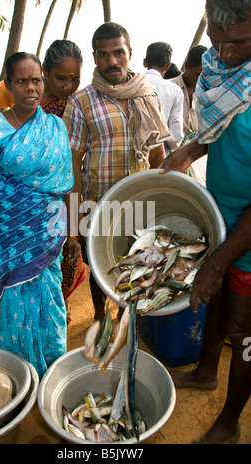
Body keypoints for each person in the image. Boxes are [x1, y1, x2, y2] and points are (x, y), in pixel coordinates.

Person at [160, 0, 251, 444]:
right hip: (222, 213)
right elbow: (221, 131)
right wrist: (192, 149)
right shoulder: (220, 69)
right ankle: (205, 373)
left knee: (243, 328)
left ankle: (230, 422)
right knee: (213, 301)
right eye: (217, 42)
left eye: (239, 42)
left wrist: (219, 261)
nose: (226, 52)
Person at [0, 52, 74, 378]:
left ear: (44, 83)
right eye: (21, 81)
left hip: (48, 234)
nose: (30, 88)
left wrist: (72, 234)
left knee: (50, 301)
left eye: (36, 80)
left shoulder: (55, 127)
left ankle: (50, 371)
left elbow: (64, 185)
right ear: (8, 85)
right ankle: (21, 375)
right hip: (8, 237)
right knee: (15, 307)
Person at [63, 22, 170, 320]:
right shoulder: (81, 101)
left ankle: (128, 319)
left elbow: (157, 153)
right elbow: (73, 164)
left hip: (140, 201)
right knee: (99, 265)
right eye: (104, 54)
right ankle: (100, 316)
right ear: (95, 57)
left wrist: (165, 200)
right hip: (97, 202)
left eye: (118, 53)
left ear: (130, 53)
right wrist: (75, 219)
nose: (112, 61)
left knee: (136, 260)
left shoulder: (147, 95)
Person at [0, 40, 86, 319]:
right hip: (10, 226)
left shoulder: (62, 119)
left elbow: (66, 179)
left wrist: (72, 231)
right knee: (15, 304)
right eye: (61, 78)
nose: (67, 85)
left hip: (49, 223)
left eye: (75, 78)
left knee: (54, 293)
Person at [144, 41, 184, 154]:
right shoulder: (175, 90)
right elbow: (175, 133)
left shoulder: (132, 83)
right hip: (161, 151)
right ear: (167, 66)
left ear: (145, 62)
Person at [171, 44, 208, 138]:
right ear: (187, 66)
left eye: (204, 75)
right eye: (197, 74)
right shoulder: (170, 88)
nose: (200, 79)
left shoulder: (208, 94)